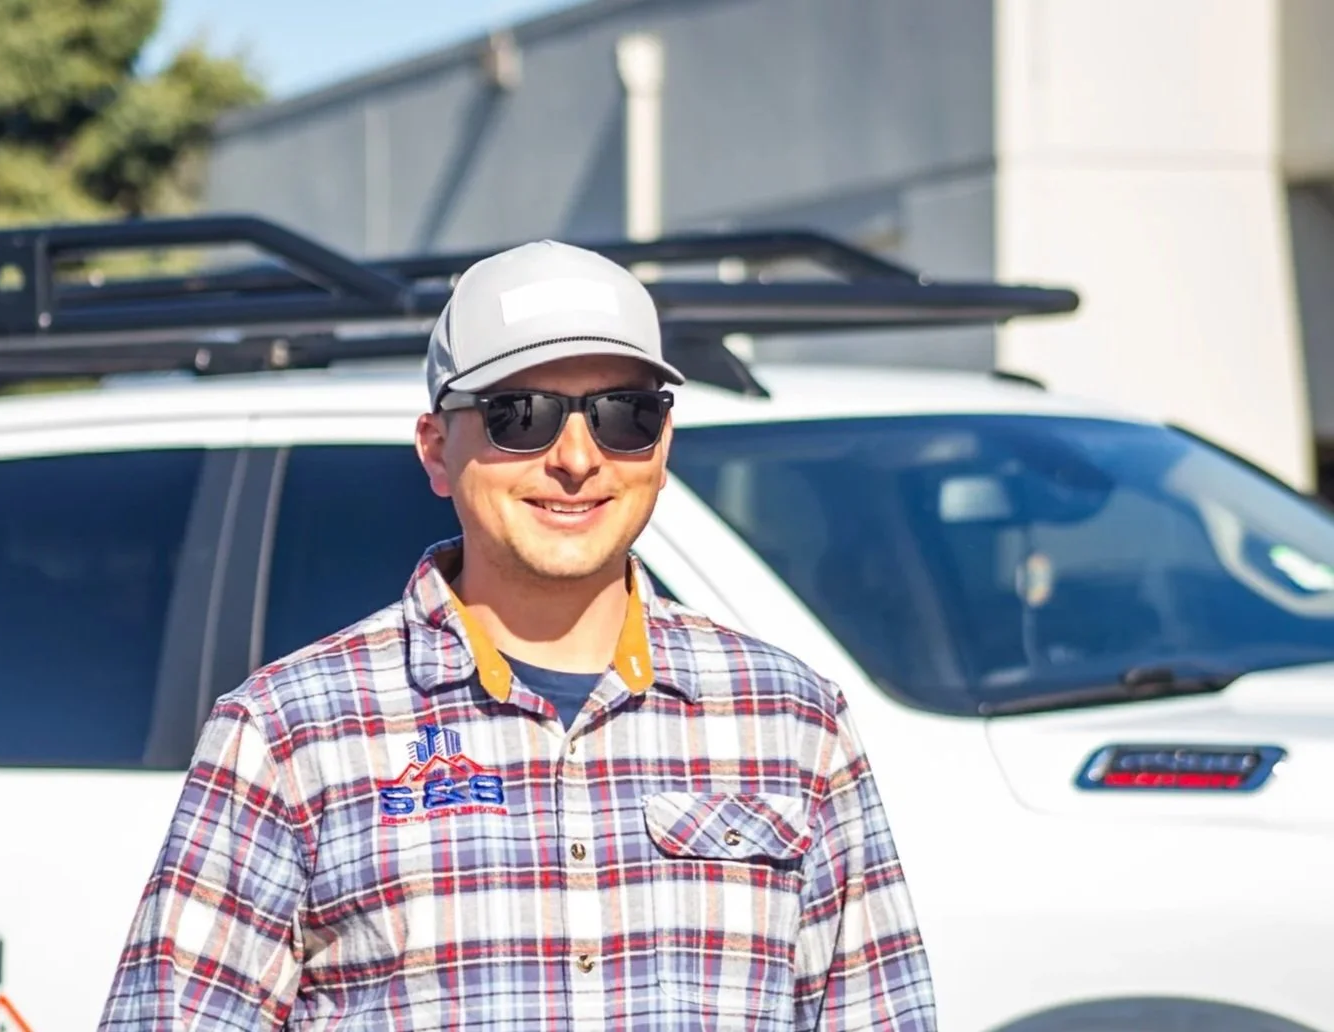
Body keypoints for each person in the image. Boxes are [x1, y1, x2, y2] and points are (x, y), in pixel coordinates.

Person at [97, 240, 937, 1030]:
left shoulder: (794, 722)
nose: (577, 456)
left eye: (624, 413)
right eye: (521, 414)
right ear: (434, 449)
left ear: (663, 443)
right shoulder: (286, 734)